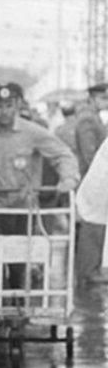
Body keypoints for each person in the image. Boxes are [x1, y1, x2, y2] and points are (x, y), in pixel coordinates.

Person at [0, 82, 80, 291]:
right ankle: (1, 308)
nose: (3, 111)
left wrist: (67, 179)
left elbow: (62, 154)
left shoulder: (33, 132)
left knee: (19, 261)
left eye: (9, 105)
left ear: (17, 105)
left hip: (23, 208)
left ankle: (16, 306)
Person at [74, 83, 108, 284]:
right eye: (104, 98)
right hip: (92, 180)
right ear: (93, 98)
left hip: (97, 179)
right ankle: (88, 271)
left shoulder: (94, 118)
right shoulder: (88, 120)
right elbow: (89, 154)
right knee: (92, 225)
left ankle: (91, 269)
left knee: (97, 225)